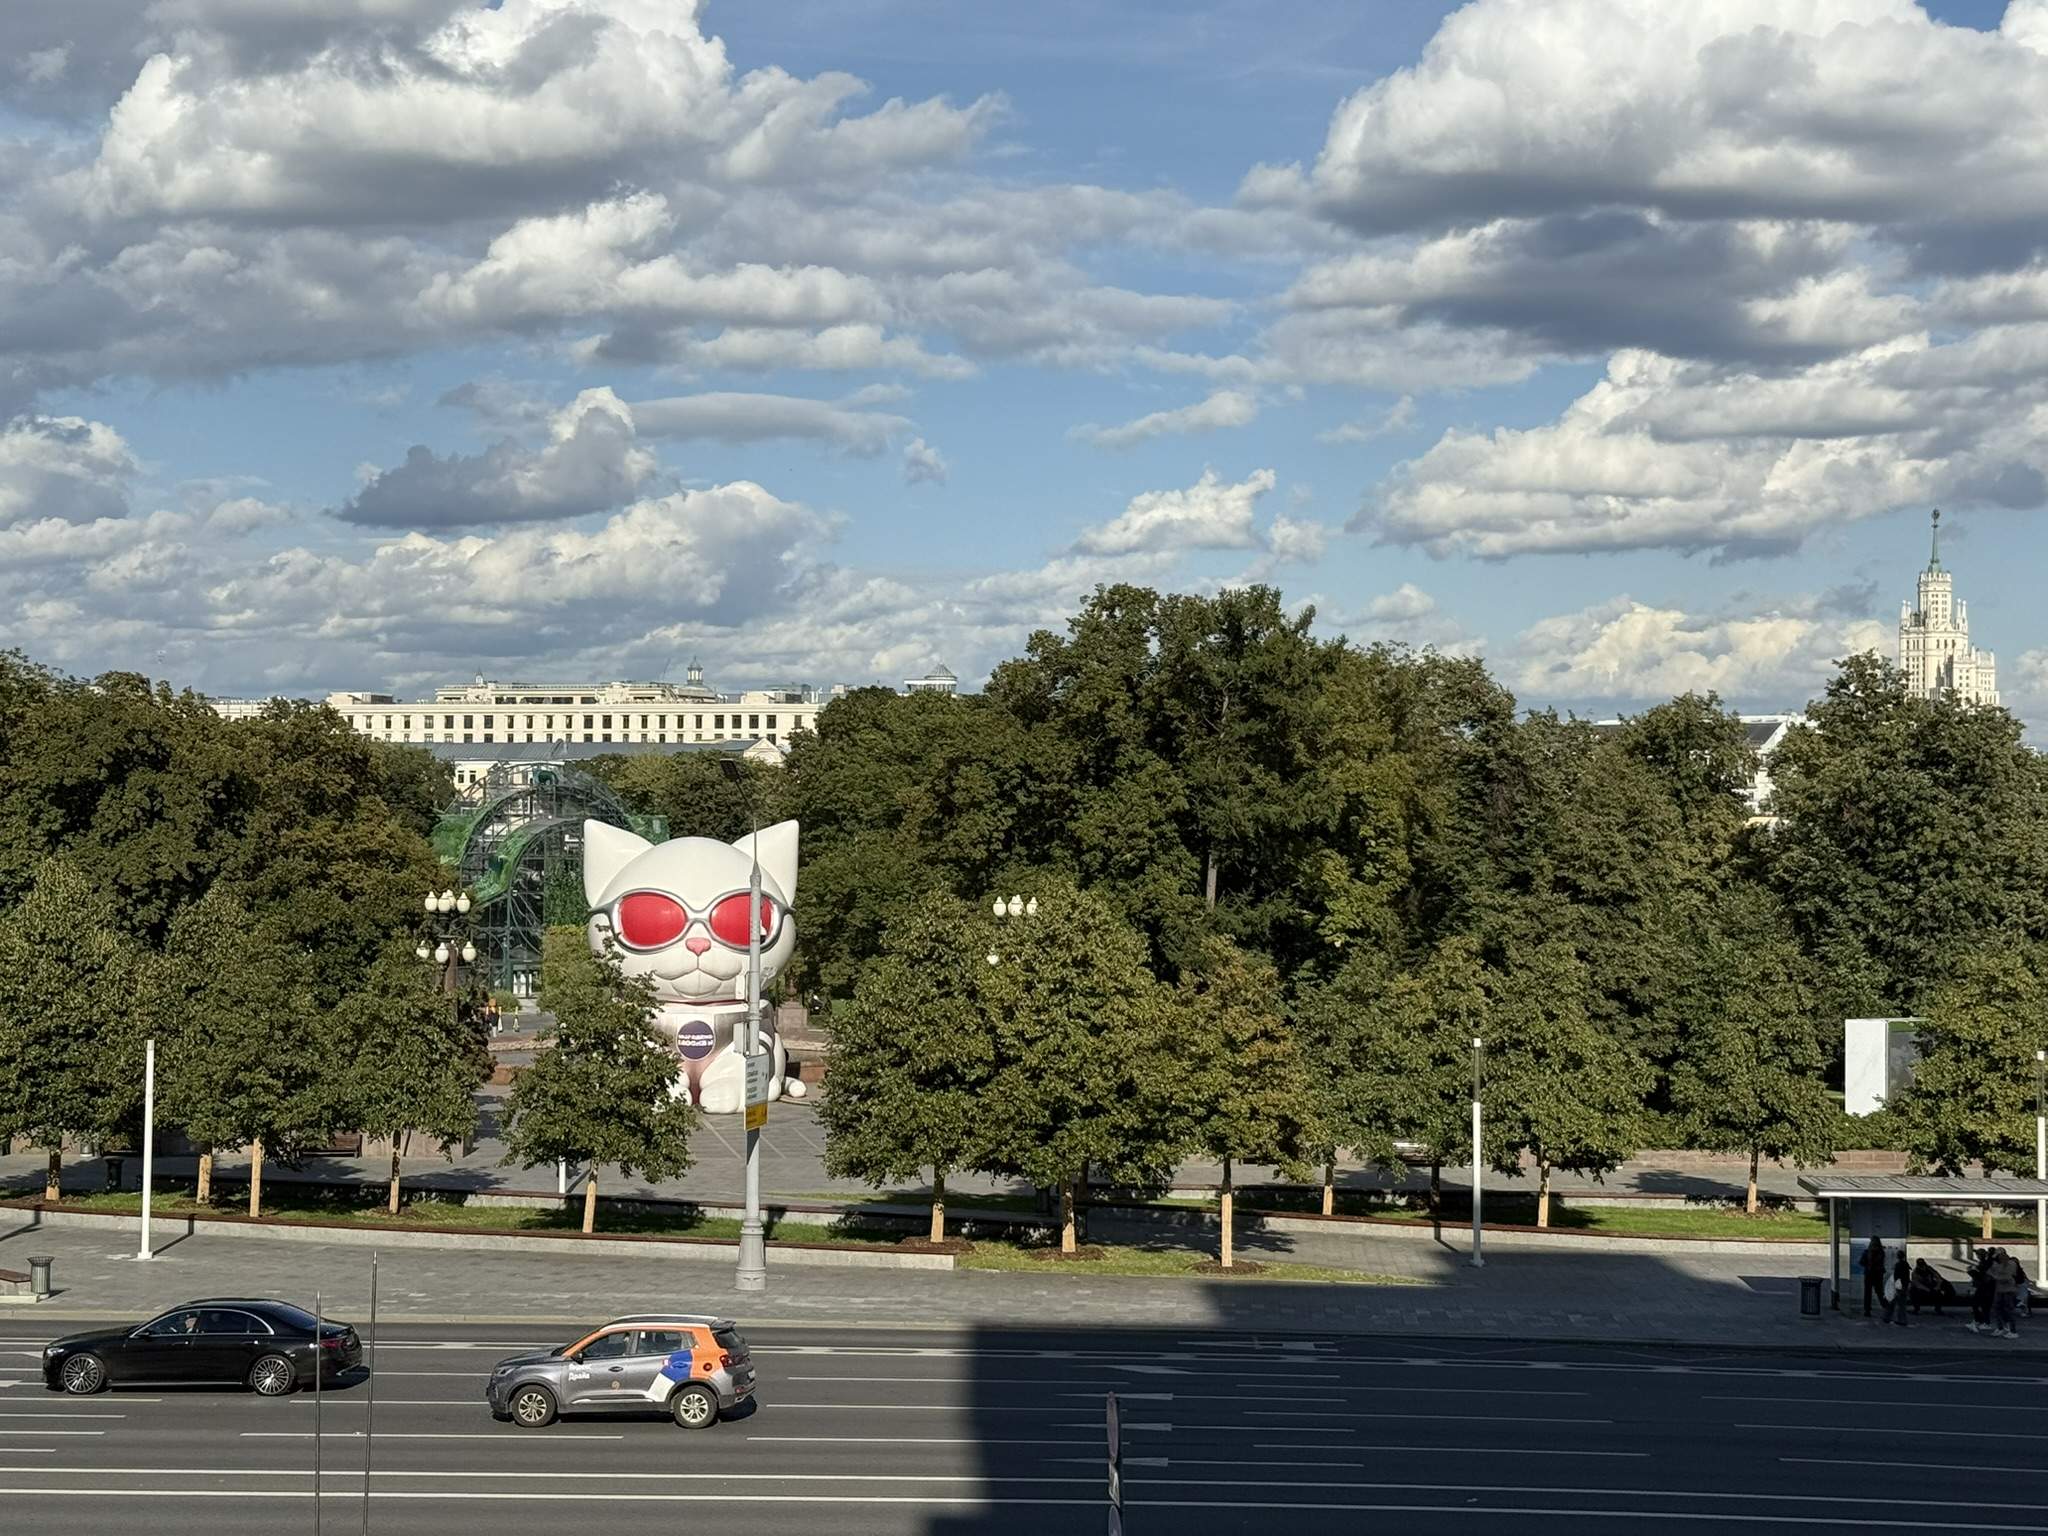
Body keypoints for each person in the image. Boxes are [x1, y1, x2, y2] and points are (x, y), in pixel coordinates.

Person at [1992, 1249, 2023, 1339]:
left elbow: (2006, 1277)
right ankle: (2001, 1327)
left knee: (2008, 1310)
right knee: (1998, 1309)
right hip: (2000, 1290)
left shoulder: (2010, 1264)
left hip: (2009, 1290)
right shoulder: (1999, 1265)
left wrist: (1996, 1277)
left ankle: (2012, 1330)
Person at [1967, 1248, 1997, 1334]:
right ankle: (1983, 1322)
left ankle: (1979, 1321)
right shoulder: (1987, 1262)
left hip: (1985, 1287)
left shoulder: (1985, 1263)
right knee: (1984, 1306)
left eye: (1978, 1255)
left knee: (1977, 1304)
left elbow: (1982, 1276)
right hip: (1987, 1287)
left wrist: (1972, 1272)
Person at [1861, 1236, 1888, 1318]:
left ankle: (1867, 1310)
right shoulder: (1881, 1252)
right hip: (1877, 1274)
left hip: (1869, 1274)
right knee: (1879, 1292)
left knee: (1868, 1293)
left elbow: (1862, 1262)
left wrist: (1867, 1264)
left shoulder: (1867, 1252)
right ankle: (1885, 1306)